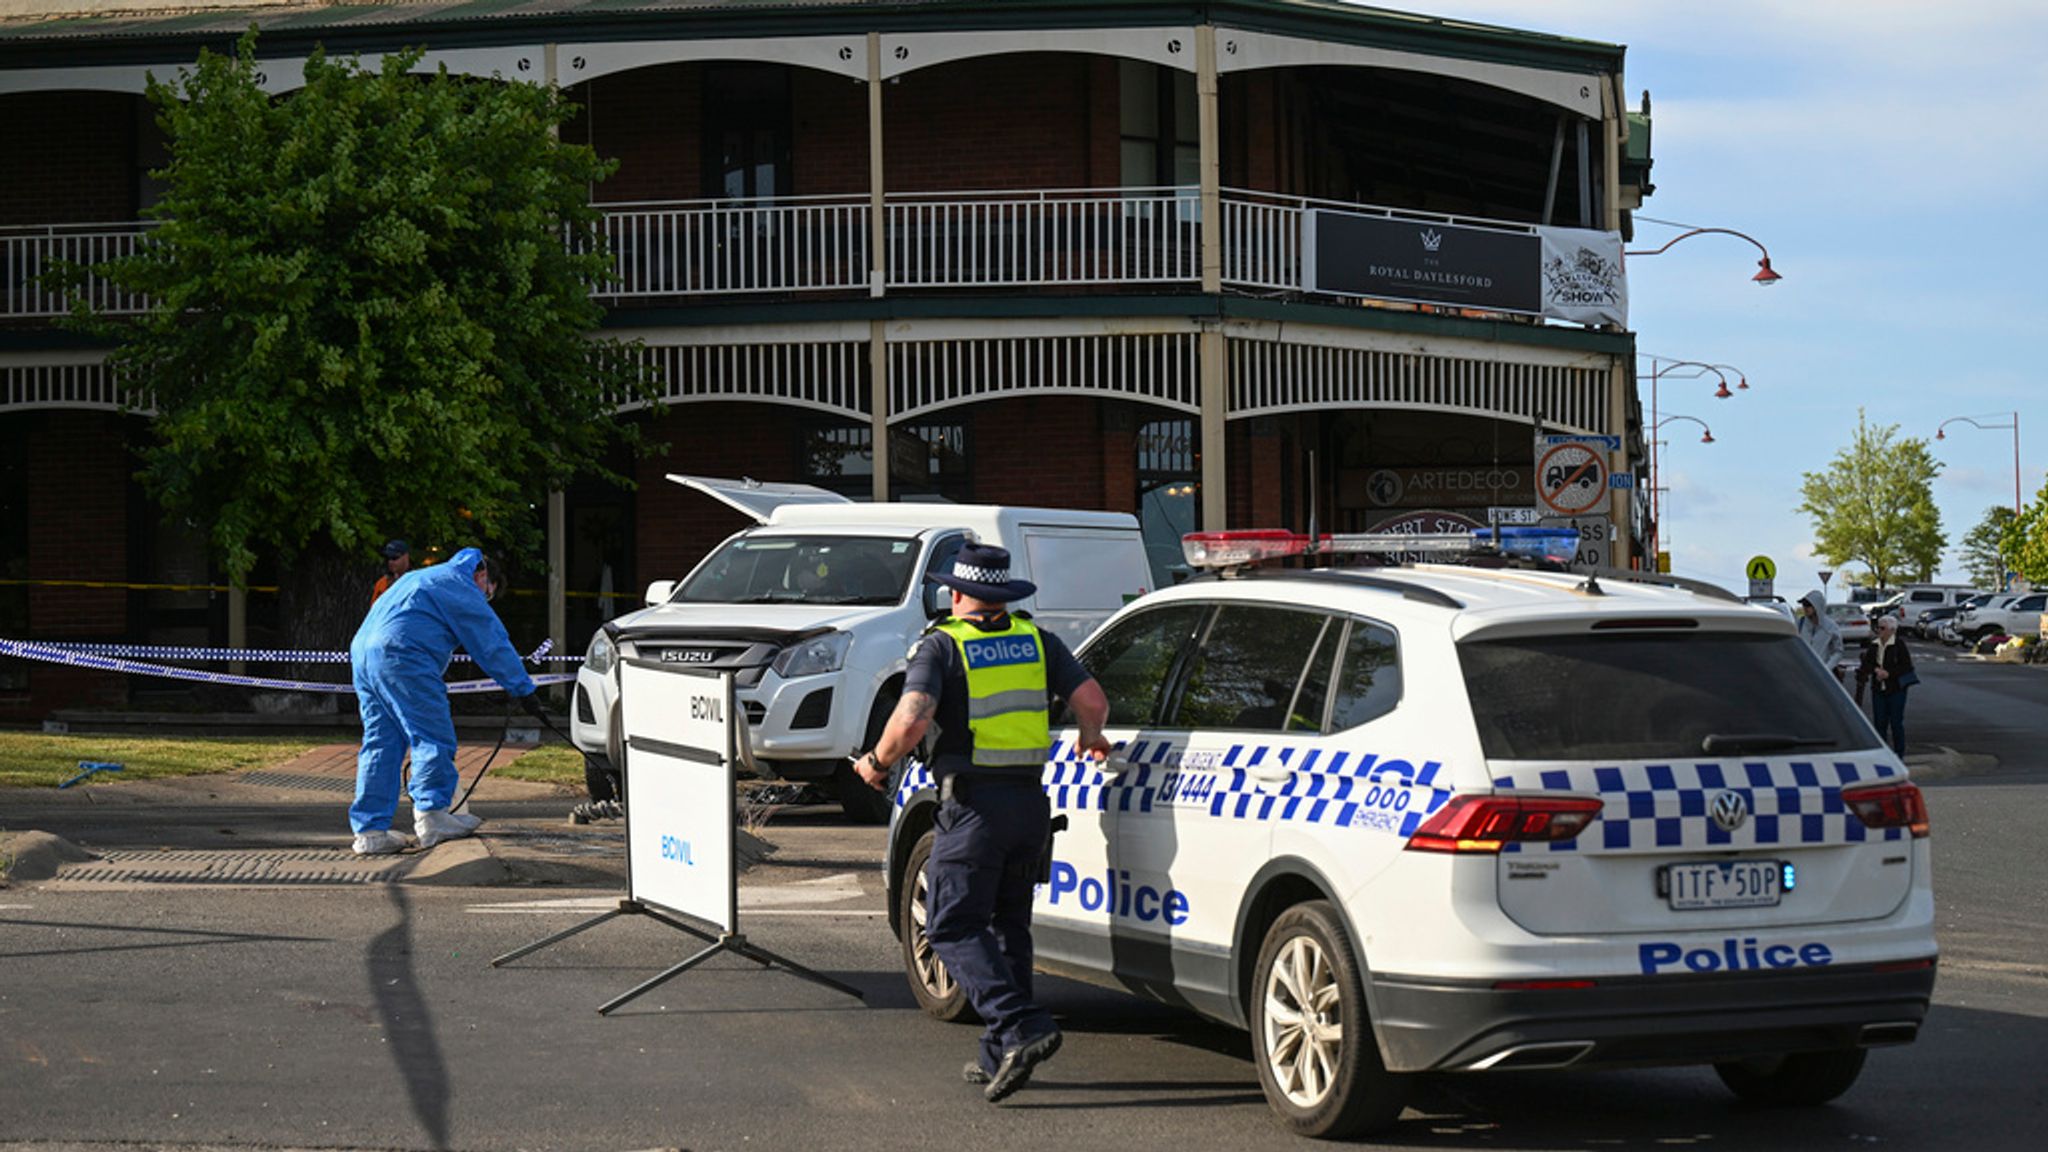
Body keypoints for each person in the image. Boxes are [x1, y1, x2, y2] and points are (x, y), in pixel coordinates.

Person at [851, 542, 1110, 1103]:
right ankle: (1002, 1053)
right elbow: (1091, 698)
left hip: (973, 810)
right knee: (1007, 927)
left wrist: (876, 762)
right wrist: (1091, 735)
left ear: (956, 593)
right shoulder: (1037, 641)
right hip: (1029, 807)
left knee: (948, 925)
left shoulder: (942, 645)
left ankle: (1022, 1024)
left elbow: (914, 716)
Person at [349, 547, 545, 855]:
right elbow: (490, 642)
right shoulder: (459, 584)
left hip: (364, 655)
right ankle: (433, 818)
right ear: (482, 576)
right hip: (404, 655)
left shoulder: (420, 578)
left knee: (380, 742)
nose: (485, 601)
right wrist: (523, 689)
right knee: (432, 736)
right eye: (488, 594)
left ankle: (370, 832)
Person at [1859, 613, 1916, 755]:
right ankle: (1882, 754)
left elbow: (1907, 667)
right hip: (1879, 689)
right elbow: (1866, 664)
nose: (1879, 631)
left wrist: (1889, 673)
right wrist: (1875, 670)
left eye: (1883, 628)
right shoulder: (1874, 645)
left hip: (1896, 689)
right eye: (1878, 628)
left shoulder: (1899, 645)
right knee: (1879, 723)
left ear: (1892, 630)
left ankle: (1899, 754)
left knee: (1896, 723)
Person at [1796, 589, 1844, 678]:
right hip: (1802, 673)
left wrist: (1827, 668)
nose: (1805, 607)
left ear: (1817, 606)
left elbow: (1838, 651)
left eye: (1808, 605)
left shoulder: (1831, 627)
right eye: (1804, 604)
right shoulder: (1799, 624)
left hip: (1822, 675)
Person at [371, 539, 412, 604]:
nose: (390, 562)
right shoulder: (382, 583)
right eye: (388, 558)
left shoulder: (415, 582)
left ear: (406, 557)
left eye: (394, 557)